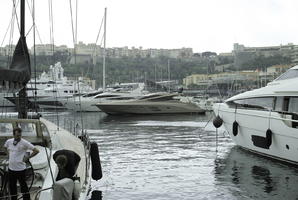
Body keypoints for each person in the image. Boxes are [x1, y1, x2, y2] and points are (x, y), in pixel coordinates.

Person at [3, 127, 39, 200]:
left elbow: (36, 150)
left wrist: (28, 157)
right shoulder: (9, 141)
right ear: (13, 135)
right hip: (11, 169)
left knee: (23, 186)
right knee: (12, 186)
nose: (19, 137)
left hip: (21, 169)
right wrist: (8, 155)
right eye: (17, 136)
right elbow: (4, 147)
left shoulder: (24, 142)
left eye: (20, 135)